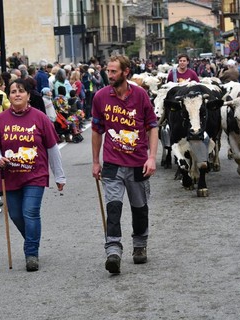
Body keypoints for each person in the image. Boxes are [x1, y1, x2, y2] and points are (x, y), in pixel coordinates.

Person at [0, 78, 66, 272]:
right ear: (9, 96)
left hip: (35, 175)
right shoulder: (1, 119)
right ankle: (32, 239)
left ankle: (31, 252)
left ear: (28, 95)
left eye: (21, 91)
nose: (17, 94)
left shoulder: (40, 118)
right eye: (13, 91)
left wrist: (59, 176)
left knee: (30, 212)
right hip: (10, 176)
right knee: (15, 214)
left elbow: (52, 148)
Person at [91, 55, 158, 274]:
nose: (109, 75)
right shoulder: (100, 97)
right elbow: (96, 130)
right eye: (107, 71)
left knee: (139, 208)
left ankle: (139, 245)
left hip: (138, 163)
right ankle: (113, 250)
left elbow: (152, 126)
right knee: (113, 208)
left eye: (113, 72)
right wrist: (95, 161)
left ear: (125, 72)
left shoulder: (140, 95)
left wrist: (151, 157)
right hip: (112, 163)